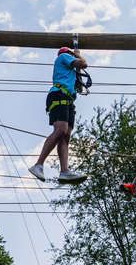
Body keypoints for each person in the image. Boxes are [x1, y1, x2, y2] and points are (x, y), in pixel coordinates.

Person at [28, 47, 89, 184]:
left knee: (66, 135)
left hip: (68, 100)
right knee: (60, 130)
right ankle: (38, 165)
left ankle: (64, 171)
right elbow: (84, 63)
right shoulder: (63, 57)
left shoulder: (70, 71)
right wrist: (78, 56)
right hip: (59, 95)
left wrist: (77, 70)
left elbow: (79, 89)